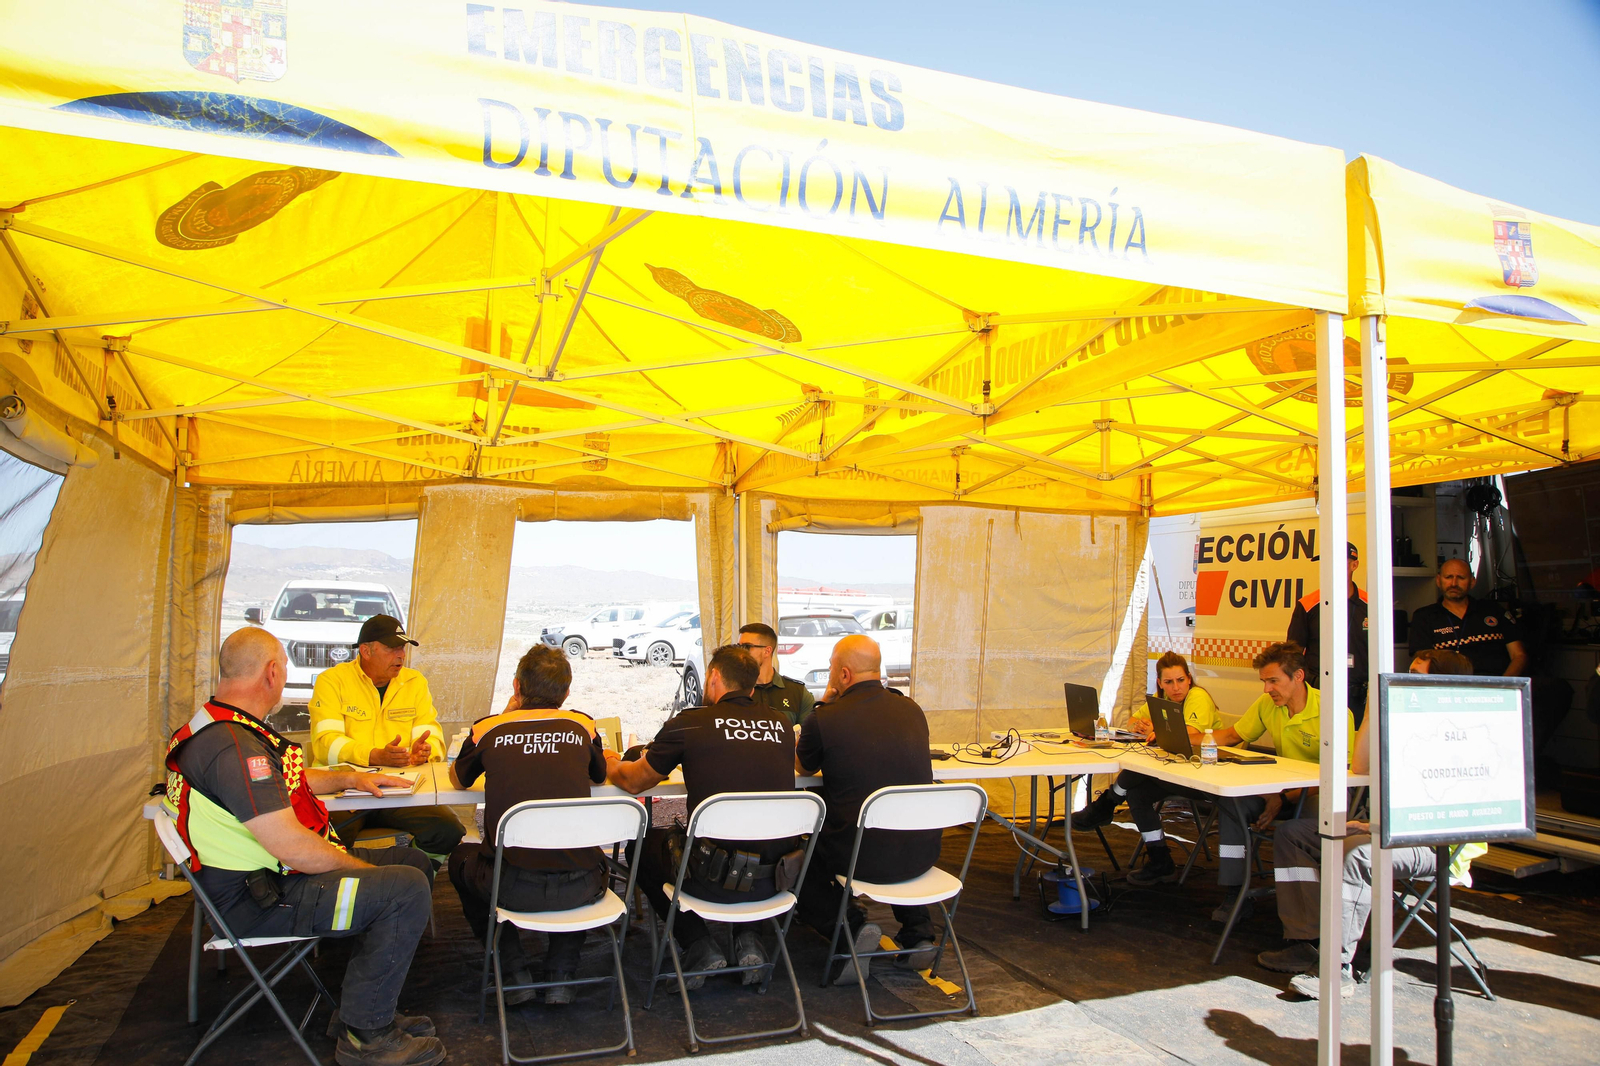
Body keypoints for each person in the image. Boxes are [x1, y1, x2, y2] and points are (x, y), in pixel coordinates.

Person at [164, 627, 443, 1066]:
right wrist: (359, 868)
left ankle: (362, 1007)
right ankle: (366, 1038)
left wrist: (351, 778)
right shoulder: (235, 748)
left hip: (260, 881)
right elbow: (292, 846)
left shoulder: (218, 725)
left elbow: (285, 779)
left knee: (412, 861)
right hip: (260, 899)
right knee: (403, 889)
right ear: (272, 673)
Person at [1258, 648, 1488, 999]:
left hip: (1435, 843)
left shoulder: (1464, 734)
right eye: (1408, 672)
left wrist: (1382, 826)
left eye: (1417, 675)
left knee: (1356, 855)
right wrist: (1372, 708)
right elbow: (1361, 767)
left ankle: (1336, 970)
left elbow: (1454, 810)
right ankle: (1306, 940)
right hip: (1385, 828)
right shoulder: (1406, 721)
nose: (1404, 680)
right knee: (1293, 834)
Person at [607, 644, 798, 987]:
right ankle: (748, 938)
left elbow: (635, 781)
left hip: (709, 878)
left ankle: (697, 942)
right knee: (752, 836)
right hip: (774, 879)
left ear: (713, 677)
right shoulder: (781, 724)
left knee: (640, 847)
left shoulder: (691, 723)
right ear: (752, 684)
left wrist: (608, 761)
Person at [447, 644, 608, 1006]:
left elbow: (458, 779)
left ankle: (512, 970)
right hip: (581, 886)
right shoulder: (582, 725)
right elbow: (600, 775)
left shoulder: (488, 728)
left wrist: (505, 717)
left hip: (509, 885)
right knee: (580, 854)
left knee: (460, 858)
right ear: (566, 692)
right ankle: (562, 973)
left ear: (516, 687)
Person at [795, 634, 941, 984]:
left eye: (831, 667)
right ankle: (919, 932)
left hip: (860, 858)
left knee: (800, 858)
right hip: (921, 855)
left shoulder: (825, 719)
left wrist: (823, 703)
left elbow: (803, 767)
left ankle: (852, 929)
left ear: (844, 675)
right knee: (894, 830)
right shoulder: (912, 709)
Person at [1204, 642, 1356, 922]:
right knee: (1232, 804)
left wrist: (1283, 798)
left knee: (1298, 829)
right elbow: (1231, 736)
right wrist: (1177, 738)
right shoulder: (1268, 704)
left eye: (1273, 681)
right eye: (1264, 681)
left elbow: (1339, 779)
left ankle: (1309, 908)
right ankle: (1235, 892)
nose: (1266, 689)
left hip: (1321, 795)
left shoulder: (1333, 712)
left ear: (1298, 676)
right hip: (1281, 791)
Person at [309, 614, 465, 862]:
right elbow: (325, 744)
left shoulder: (414, 682)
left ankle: (414, 873)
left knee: (447, 830)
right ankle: (355, 880)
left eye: (402, 648)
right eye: (392, 648)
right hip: (343, 791)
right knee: (324, 839)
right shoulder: (332, 681)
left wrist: (425, 750)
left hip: (398, 789)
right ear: (366, 651)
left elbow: (431, 731)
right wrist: (373, 756)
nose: (400, 655)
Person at [1072, 651, 1223, 885]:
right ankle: (1160, 859)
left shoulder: (1198, 696)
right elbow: (1133, 721)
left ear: (1189, 679)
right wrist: (1142, 725)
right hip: (1175, 770)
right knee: (1137, 793)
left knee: (1141, 767)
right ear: (1160, 683)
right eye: (1169, 682)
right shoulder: (1161, 699)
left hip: (1204, 776)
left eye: (1180, 680)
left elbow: (1191, 734)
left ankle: (1107, 803)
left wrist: (1155, 728)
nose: (1176, 688)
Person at [1287, 541, 1370, 724]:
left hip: (1359, 696)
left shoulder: (1370, 604)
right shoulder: (1308, 605)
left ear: (1354, 565)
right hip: (1319, 693)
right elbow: (1293, 654)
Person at [1408, 558, 1528, 678]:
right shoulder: (1424, 616)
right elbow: (1421, 663)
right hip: (1449, 685)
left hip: (1496, 683)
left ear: (1472, 581)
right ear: (1438, 581)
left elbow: (1519, 655)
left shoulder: (1494, 610)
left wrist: (1503, 685)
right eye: (1448, 577)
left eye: (1461, 578)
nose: (1454, 583)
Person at [737, 622, 814, 727]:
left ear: (767, 651)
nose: (740, 652)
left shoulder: (797, 692)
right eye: (738, 646)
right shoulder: (735, 689)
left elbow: (808, 733)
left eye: (747, 646)